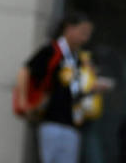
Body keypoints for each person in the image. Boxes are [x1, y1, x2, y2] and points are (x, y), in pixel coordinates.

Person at [15, 11, 112, 163]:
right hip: (51, 121)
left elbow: (76, 92)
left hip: (73, 125)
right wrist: (23, 103)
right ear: (68, 29)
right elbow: (25, 71)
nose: (85, 38)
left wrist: (93, 89)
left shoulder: (80, 58)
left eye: (88, 34)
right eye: (82, 32)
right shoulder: (52, 51)